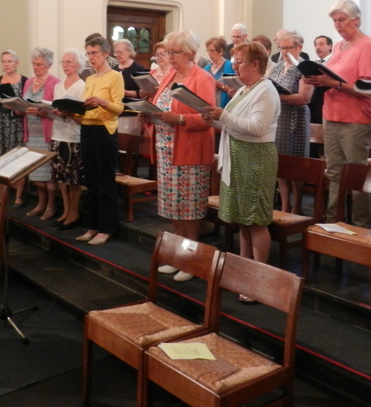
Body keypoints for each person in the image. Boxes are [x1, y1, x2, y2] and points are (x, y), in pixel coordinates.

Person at [204, 41, 280, 295]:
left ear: (255, 64)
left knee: (256, 220)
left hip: (255, 159)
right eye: (234, 62)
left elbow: (258, 127)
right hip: (238, 156)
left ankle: (259, 280)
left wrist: (222, 116)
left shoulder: (266, 90)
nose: (235, 67)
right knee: (243, 220)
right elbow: (231, 124)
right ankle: (244, 271)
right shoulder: (245, 90)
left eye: (239, 62)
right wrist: (212, 119)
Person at [139, 30, 215, 282]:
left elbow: (208, 118)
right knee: (174, 208)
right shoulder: (170, 75)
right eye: (168, 52)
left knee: (189, 211)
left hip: (189, 151)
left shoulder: (202, 78)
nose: (170, 57)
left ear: (191, 53)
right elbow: (161, 107)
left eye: (175, 52)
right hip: (166, 151)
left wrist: (180, 118)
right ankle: (179, 258)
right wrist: (148, 115)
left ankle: (191, 262)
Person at [304, 0, 371, 228]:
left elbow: (368, 88)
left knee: (355, 174)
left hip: (355, 118)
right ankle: (333, 223)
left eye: (341, 20)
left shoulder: (366, 45)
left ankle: (361, 226)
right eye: (335, 21)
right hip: (331, 115)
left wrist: (333, 83)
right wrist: (318, 79)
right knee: (334, 172)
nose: (337, 25)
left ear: (356, 20)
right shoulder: (337, 46)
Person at [76, 36, 125, 246]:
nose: (91, 57)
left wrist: (102, 102)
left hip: (105, 131)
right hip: (87, 130)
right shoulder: (89, 79)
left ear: (106, 54)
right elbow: (85, 109)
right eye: (88, 53)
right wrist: (70, 112)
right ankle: (93, 226)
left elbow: (119, 108)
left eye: (94, 53)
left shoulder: (115, 77)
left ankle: (106, 228)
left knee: (105, 182)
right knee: (91, 182)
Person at [270, 30, 314, 214]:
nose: (284, 52)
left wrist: (277, 96)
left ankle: (297, 206)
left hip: (296, 119)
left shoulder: (304, 68)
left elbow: (304, 97)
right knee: (280, 163)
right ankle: (285, 204)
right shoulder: (278, 67)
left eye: (288, 48)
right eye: (281, 48)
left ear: (299, 47)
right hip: (279, 119)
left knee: (296, 164)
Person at [48, 48, 86, 229]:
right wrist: (47, 112)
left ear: (78, 65)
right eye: (63, 62)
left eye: (69, 62)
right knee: (62, 177)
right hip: (58, 135)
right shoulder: (58, 86)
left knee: (74, 178)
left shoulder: (82, 86)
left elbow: (82, 116)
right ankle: (66, 210)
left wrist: (68, 113)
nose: (65, 65)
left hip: (74, 137)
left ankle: (74, 212)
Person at [0, 50, 27, 206]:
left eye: (10, 61)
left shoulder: (24, 81)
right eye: (4, 61)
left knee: (19, 158)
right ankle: (1, 194)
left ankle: (19, 196)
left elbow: (28, 103)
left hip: (17, 124)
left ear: (17, 63)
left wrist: (19, 107)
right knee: (1, 159)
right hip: (0, 123)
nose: (6, 64)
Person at [22, 48, 60, 220]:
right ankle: (41, 203)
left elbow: (57, 111)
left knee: (48, 174)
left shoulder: (54, 83)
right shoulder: (29, 82)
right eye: (34, 64)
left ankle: (51, 205)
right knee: (36, 172)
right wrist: (20, 108)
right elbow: (25, 103)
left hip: (46, 133)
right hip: (32, 133)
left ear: (49, 65)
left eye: (39, 65)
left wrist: (42, 113)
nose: (35, 67)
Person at [309, 35, 333, 158]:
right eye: (316, 45)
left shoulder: (334, 63)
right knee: (312, 140)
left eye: (321, 44)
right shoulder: (314, 64)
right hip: (313, 104)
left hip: (328, 104)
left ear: (330, 46)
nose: (318, 47)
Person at [204, 36, 235, 109]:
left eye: (212, 51)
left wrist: (220, 86)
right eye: (208, 50)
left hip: (226, 108)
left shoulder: (231, 67)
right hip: (209, 108)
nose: (209, 53)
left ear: (221, 51)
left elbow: (237, 92)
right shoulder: (206, 69)